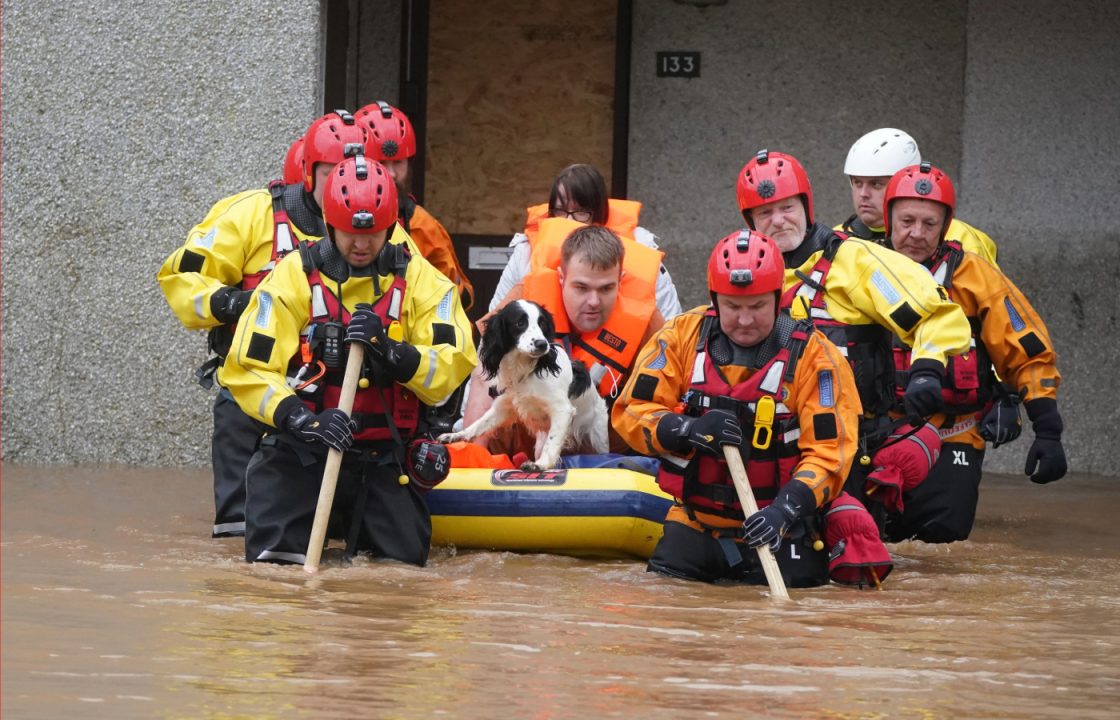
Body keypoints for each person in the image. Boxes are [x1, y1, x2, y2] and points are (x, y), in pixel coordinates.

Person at [219, 155, 476, 566]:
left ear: (391, 227)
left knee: (399, 580)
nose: (362, 245)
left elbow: (453, 361)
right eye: (351, 233)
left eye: (373, 234)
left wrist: (394, 354)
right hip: (302, 454)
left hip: (383, 458)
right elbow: (247, 369)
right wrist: (302, 419)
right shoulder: (291, 277)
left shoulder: (422, 281)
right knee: (273, 577)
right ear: (329, 224)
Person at [611, 230, 889, 587]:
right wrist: (685, 430)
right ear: (714, 299)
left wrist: (783, 511)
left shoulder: (817, 358)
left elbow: (831, 453)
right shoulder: (681, 336)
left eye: (757, 306)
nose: (744, 320)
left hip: (783, 529)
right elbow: (632, 409)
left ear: (778, 298)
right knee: (668, 609)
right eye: (732, 307)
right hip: (697, 525)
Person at [157, 110, 366, 538]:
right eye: (332, 172)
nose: (342, 183)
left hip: (333, 398)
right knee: (240, 535)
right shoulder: (250, 214)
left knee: (337, 537)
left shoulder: (376, 232)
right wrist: (238, 303)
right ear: (309, 171)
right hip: (253, 390)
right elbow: (181, 277)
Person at [878, 161, 1066, 542]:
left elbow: (1026, 350)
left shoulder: (975, 276)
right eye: (907, 221)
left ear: (946, 226)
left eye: (929, 224)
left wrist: (1048, 429)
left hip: (953, 434)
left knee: (941, 544)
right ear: (889, 219)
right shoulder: (859, 269)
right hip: (876, 433)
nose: (916, 234)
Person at [736, 149, 973, 428]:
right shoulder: (741, 271)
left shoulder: (855, 259)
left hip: (854, 434)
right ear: (750, 221)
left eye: (787, 208)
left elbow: (937, 314)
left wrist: (926, 370)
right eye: (765, 212)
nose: (778, 220)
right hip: (775, 432)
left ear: (806, 206)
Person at [458, 223, 666, 460]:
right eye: (581, 287)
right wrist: (473, 460)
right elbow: (485, 376)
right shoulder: (524, 302)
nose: (594, 301)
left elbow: (663, 399)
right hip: (522, 449)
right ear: (561, 278)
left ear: (621, 280)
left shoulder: (648, 324)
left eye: (606, 288)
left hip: (603, 456)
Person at [489, 163, 682, 322]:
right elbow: (495, 325)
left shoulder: (642, 258)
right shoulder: (525, 256)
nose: (569, 222)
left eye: (581, 212)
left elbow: (673, 330)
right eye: (561, 212)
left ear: (600, 215)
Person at [356, 101, 475, 311]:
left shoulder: (422, 225)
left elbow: (457, 297)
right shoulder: (329, 220)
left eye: (398, 163)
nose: (391, 174)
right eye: (381, 163)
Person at [838, 128, 999, 264]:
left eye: (876, 184)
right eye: (857, 183)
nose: (863, 194)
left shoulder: (960, 238)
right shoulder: (836, 239)